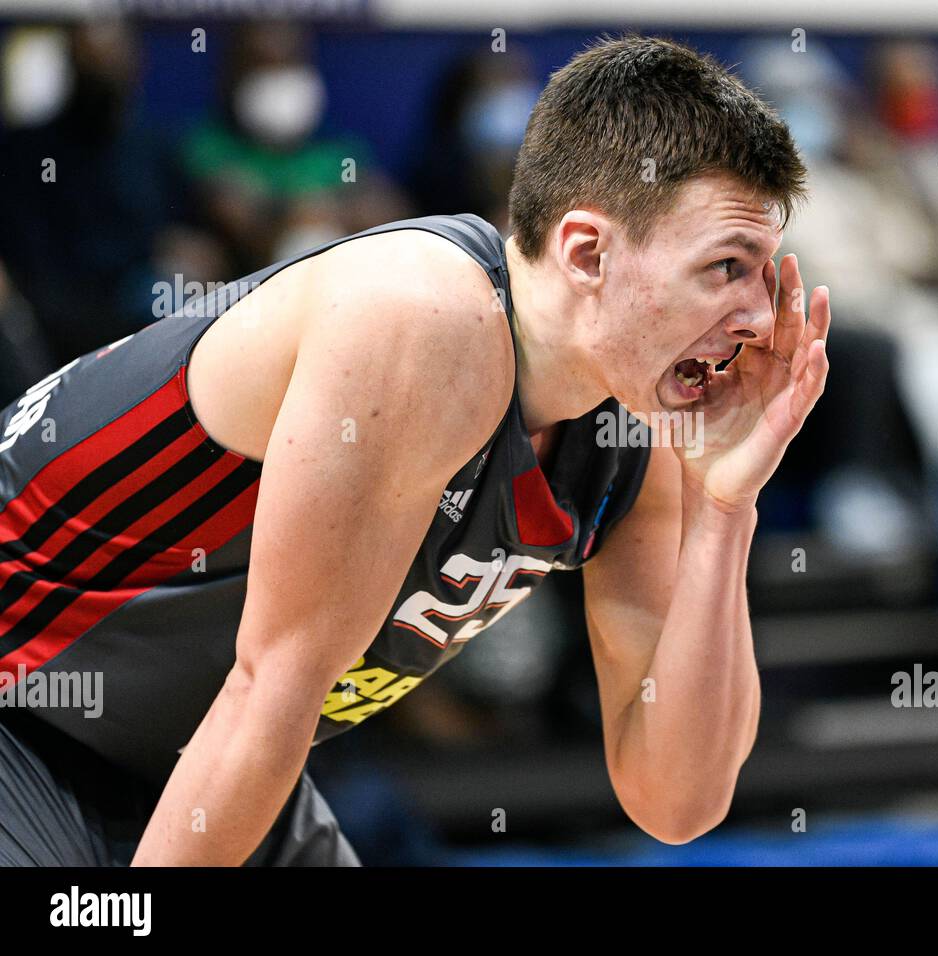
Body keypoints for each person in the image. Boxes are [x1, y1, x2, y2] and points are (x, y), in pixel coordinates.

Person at [0, 34, 830, 866]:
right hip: (25, 704)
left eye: (766, 274)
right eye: (727, 267)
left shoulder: (629, 439)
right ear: (587, 252)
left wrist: (726, 504)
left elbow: (676, 800)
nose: (760, 318)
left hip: (182, 747)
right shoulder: (424, 317)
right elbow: (268, 693)